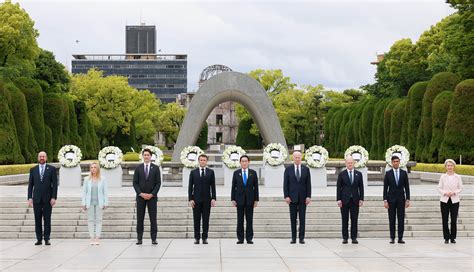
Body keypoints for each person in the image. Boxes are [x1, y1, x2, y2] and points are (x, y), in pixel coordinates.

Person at [27, 151, 58, 246]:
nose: (41, 158)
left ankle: (47, 239)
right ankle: (39, 239)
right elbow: (30, 185)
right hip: (36, 199)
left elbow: (55, 185)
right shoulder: (33, 169)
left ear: (46, 158)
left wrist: (53, 197)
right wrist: (29, 197)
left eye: (43, 156)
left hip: (48, 199)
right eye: (40, 156)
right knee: (37, 220)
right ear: (38, 158)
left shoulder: (52, 169)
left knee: (47, 219)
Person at [133, 148, 161, 245]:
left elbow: (158, 183)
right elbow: (135, 183)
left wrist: (152, 194)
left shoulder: (156, 168)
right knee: (140, 218)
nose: (146, 156)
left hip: (152, 198)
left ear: (151, 156)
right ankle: (139, 238)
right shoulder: (138, 168)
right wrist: (140, 193)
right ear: (142, 156)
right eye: (144, 155)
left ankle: (154, 238)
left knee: (153, 219)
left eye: (148, 155)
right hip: (141, 197)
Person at [283, 151, 311, 244]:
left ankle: (301, 238)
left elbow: (308, 184)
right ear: (293, 158)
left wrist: (308, 196)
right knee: (293, 219)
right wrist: (286, 196)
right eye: (296, 157)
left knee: (302, 219)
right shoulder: (288, 170)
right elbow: (285, 184)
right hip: (292, 198)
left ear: (301, 158)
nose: (297, 159)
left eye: (299, 157)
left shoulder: (306, 169)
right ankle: (293, 238)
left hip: (303, 198)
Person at [188, 154, 216, 244]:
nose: (202, 161)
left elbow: (213, 186)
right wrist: (190, 199)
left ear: (206, 161)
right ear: (198, 161)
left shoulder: (211, 172)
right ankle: (197, 238)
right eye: (201, 160)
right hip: (196, 200)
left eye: (204, 160)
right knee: (196, 219)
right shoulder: (193, 172)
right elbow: (190, 187)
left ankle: (205, 238)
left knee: (205, 219)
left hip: (207, 200)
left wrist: (213, 198)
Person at [231, 155, 259, 244]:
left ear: (248, 162)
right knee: (240, 220)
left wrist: (256, 199)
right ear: (240, 162)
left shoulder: (253, 173)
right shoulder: (236, 173)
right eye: (242, 161)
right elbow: (233, 187)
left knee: (249, 220)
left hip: (250, 200)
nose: (244, 163)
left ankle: (249, 238)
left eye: (245, 161)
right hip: (239, 200)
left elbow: (256, 187)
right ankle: (240, 238)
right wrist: (233, 199)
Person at [337, 156, 364, 244]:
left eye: (351, 163)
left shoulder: (358, 174)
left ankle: (354, 237)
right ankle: (345, 238)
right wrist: (338, 199)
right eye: (348, 163)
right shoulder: (342, 174)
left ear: (354, 163)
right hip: (344, 200)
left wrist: (361, 199)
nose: (350, 164)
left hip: (355, 200)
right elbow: (338, 187)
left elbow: (361, 187)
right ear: (346, 164)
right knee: (344, 220)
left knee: (354, 219)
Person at [383, 156, 410, 244]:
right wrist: (385, 200)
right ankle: (392, 237)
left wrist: (408, 199)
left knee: (401, 219)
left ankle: (400, 238)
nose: (396, 163)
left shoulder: (403, 173)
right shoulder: (388, 173)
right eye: (394, 161)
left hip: (401, 199)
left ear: (399, 162)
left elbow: (407, 187)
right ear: (391, 163)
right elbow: (385, 188)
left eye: (397, 161)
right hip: (391, 199)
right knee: (392, 219)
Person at [81, 162, 108, 245]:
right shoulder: (86, 179)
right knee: (90, 220)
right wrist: (83, 203)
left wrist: (105, 203)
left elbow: (105, 192)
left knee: (99, 220)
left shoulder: (102, 179)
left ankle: (97, 238)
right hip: (90, 203)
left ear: (98, 169)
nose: (93, 169)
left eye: (95, 167)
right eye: (92, 167)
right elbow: (84, 192)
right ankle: (92, 238)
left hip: (100, 202)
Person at [437, 159, 463, 244]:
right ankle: (446, 237)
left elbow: (461, 188)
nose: (450, 167)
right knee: (445, 219)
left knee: (453, 219)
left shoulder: (458, 177)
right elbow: (439, 188)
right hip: (444, 200)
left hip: (454, 200)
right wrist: (445, 193)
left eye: (451, 165)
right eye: (448, 165)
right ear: (445, 167)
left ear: (454, 167)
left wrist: (454, 192)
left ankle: (453, 237)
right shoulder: (443, 177)